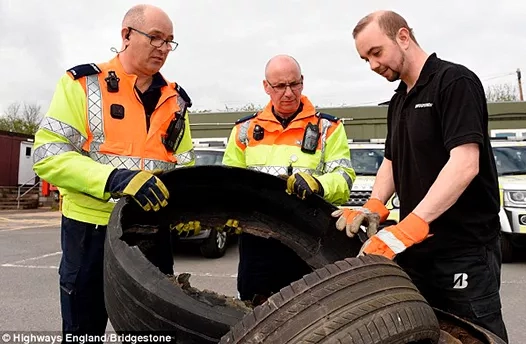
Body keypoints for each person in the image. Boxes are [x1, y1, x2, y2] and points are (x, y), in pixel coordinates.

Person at [332, 10, 509, 342]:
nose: (372, 65)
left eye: (376, 52)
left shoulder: (454, 82)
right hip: (417, 252)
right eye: (364, 59)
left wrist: (411, 225)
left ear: (402, 36)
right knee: (423, 333)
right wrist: (375, 205)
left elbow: (465, 163)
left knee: (473, 336)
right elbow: (391, 160)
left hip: (463, 251)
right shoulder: (399, 99)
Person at [32, 4, 195, 339]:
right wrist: (115, 179)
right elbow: (48, 155)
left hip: (152, 234)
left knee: (150, 332)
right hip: (91, 233)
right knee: (83, 332)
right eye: (155, 38)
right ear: (126, 35)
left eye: (169, 42)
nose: (163, 49)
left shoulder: (175, 100)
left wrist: (191, 206)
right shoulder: (83, 84)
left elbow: (184, 164)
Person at [223, 54, 356, 305]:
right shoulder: (244, 130)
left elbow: (345, 178)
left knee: (307, 312)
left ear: (303, 82)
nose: (288, 93)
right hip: (257, 239)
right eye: (280, 86)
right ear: (266, 87)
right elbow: (231, 182)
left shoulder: (328, 128)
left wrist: (318, 185)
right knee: (253, 309)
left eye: (294, 84)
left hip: (309, 238)